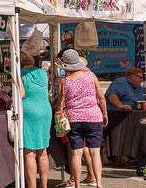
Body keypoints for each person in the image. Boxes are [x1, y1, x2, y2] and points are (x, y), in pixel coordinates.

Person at [56, 49, 108, 188]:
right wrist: (105, 114)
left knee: (76, 154)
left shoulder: (64, 81)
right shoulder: (91, 76)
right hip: (93, 117)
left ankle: (77, 184)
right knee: (95, 152)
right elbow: (101, 97)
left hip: (74, 119)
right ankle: (99, 183)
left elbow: (61, 103)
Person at [20, 51, 52, 188]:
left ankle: (32, 186)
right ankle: (43, 185)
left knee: (29, 153)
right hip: (45, 111)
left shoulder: (19, 74)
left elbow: (21, 94)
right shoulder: (43, 73)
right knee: (43, 151)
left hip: (29, 112)